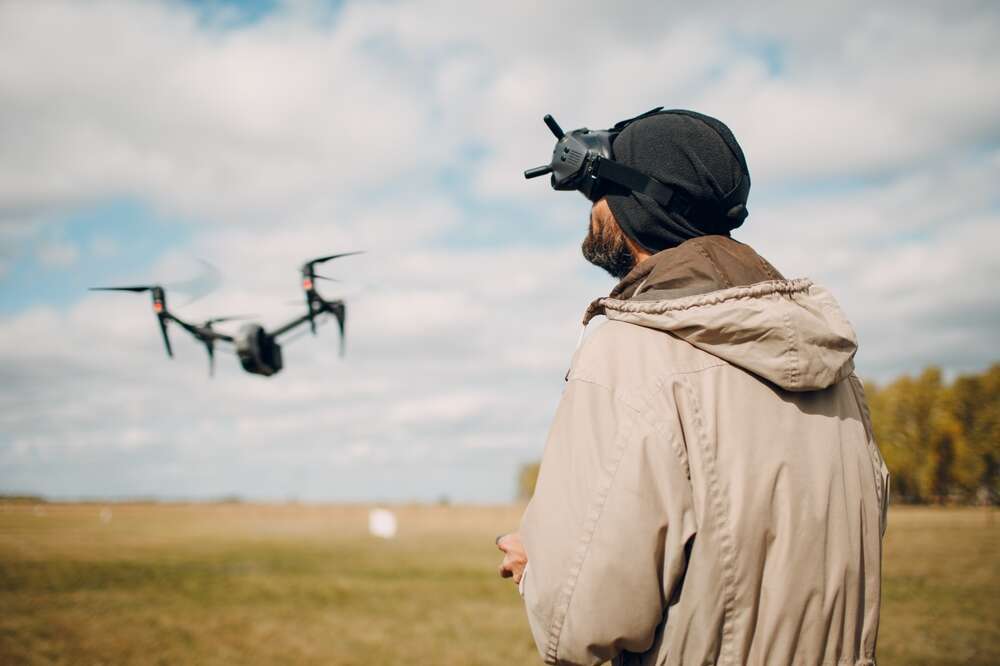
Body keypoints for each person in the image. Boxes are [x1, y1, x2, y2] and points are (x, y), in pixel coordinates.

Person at [497, 110, 889, 666]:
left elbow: (580, 623)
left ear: (640, 203)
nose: (593, 209)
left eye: (599, 193)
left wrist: (536, 571)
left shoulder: (627, 353)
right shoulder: (835, 369)